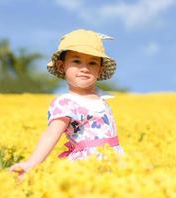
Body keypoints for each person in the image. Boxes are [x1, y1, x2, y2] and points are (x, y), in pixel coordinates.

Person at [9, 29, 125, 180]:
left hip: (115, 164)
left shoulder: (102, 98)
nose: (85, 68)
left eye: (92, 62)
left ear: (100, 69)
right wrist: (31, 164)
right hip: (86, 168)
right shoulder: (66, 103)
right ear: (61, 66)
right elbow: (51, 134)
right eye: (76, 61)